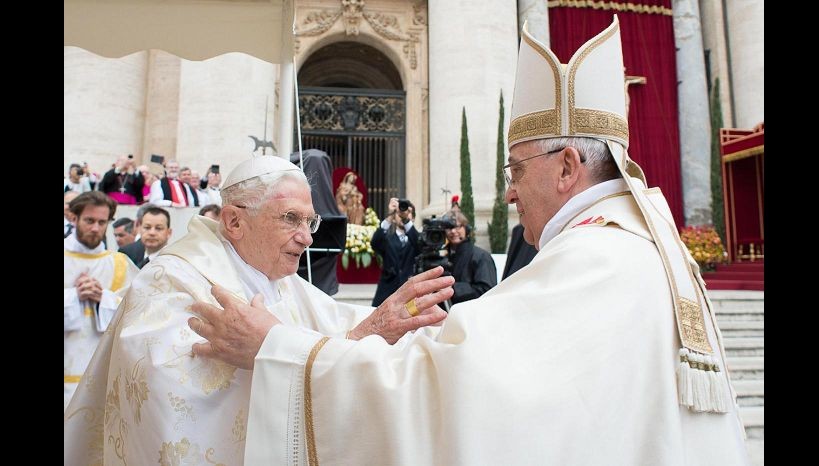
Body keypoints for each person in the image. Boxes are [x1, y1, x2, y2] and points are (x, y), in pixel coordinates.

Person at [186, 19, 750, 465]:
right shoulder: (626, 246)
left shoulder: (596, 259)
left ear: (567, 167)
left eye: (515, 171)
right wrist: (370, 330)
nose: (508, 194)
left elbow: (448, 393)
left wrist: (279, 350)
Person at [63, 155, 454, 465]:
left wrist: (380, 326)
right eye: (290, 219)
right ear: (234, 220)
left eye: (310, 220)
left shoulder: (283, 281)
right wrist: (336, 349)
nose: (306, 237)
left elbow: (340, 325)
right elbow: (172, 408)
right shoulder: (172, 282)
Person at [64, 191, 139, 410]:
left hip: (101, 376)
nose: (95, 228)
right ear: (73, 218)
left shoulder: (120, 264)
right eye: (89, 221)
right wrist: (72, 296)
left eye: (101, 222)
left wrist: (103, 298)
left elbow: (138, 312)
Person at [371, 197, 420, 306]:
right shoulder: (387, 239)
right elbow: (375, 243)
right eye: (399, 214)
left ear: (413, 218)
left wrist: (406, 220)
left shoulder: (417, 238)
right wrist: (389, 216)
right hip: (387, 293)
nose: (403, 215)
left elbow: (420, 246)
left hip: (410, 294)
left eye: (408, 213)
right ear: (394, 218)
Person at [442, 209, 497, 306]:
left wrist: (452, 288)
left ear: (466, 228)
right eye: (449, 228)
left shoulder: (481, 256)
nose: (453, 231)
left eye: (457, 227)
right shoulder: (444, 257)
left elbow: (486, 290)